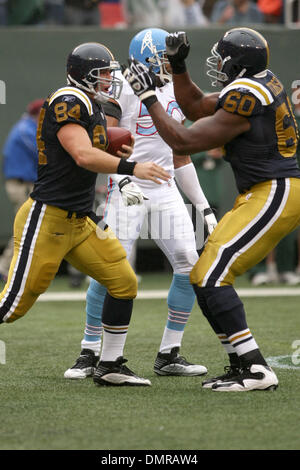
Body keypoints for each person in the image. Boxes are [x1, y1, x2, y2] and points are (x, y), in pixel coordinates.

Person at [123, 27, 300, 391]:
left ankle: (255, 369)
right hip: (263, 190)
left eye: (222, 57)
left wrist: (149, 96)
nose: (217, 63)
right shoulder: (254, 83)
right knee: (202, 273)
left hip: (275, 190)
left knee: (212, 275)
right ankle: (239, 362)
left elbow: (183, 139)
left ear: (237, 62)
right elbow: (195, 106)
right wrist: (180, 67)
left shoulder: (247, 97)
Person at [0, 42, 171, 387]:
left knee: (123, 282)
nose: (109, 78)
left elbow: (92, 148)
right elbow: (82, 155)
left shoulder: (92, 103)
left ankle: (109, 366)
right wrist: (131, 166)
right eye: (104, 72)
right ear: (83, 73)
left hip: (80, 219)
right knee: (13, 305)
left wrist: (113, 146)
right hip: (48, 217)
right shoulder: (69, 100)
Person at [64, 28, 216, 380]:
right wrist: (124, 178)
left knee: (189, 265)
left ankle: (169, 353)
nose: (170, 64)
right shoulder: (121, 85)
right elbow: (104, 143)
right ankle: (89, 350)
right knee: (112, 266)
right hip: (128, 183)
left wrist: (204, 207)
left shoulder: (176, 86)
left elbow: (180, 155)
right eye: (165, 58)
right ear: (146, 58)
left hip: (162, 185)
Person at [0, 99, 44, 282]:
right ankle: (5, 266)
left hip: (24, 184)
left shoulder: (26, 128)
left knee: (28, 227)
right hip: (22, 185)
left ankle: (10, 267)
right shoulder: (24, 129)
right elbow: (40, 152)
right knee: (25, 228)